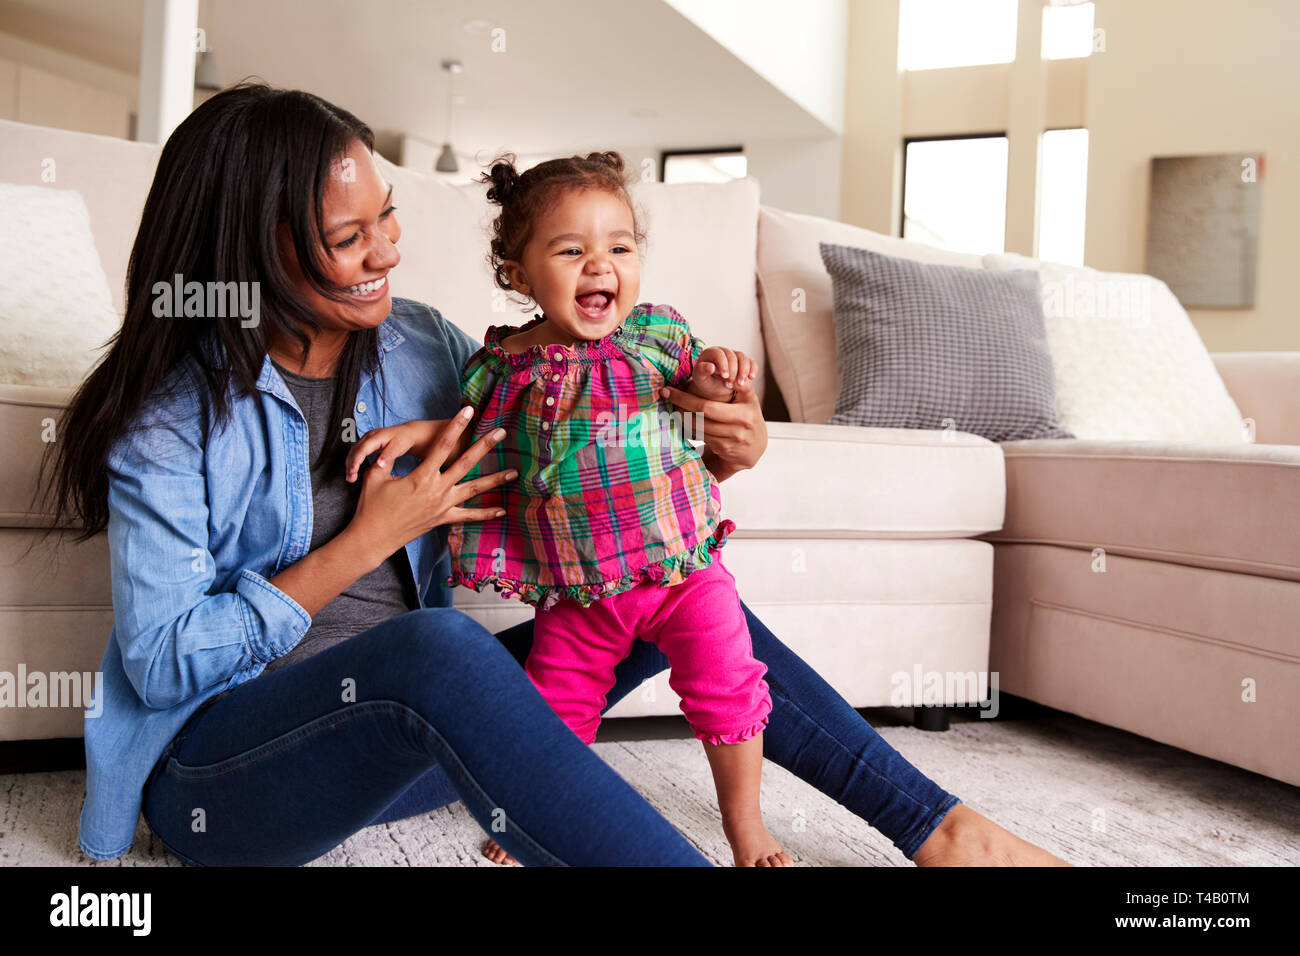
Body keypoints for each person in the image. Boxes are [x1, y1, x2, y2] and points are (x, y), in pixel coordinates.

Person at [35, 81, 1068, 866]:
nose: (386, 252)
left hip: (411, 752)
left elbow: (588, 443)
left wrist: (723, 437)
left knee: (671, 588)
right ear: (249, 254)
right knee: (433, 644)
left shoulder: (421, 347)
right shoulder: (168, 420)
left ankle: (941, 829)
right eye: (348, 239)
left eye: (387, 217)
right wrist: (367, 537)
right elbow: (167, 662)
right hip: (231, 781)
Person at [346, 151, 785, 865]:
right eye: (571, 250)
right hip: (577, 594)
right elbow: (482, 432)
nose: (599, 265)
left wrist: (718, 379)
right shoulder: (504, 365)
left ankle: (746, 826)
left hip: (683, 574)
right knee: (552, 713)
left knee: (728, 691)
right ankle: (530, 818)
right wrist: (426, 431)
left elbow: (703, 404)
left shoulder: (657, 338)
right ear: (519, 275)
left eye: (619, 247)